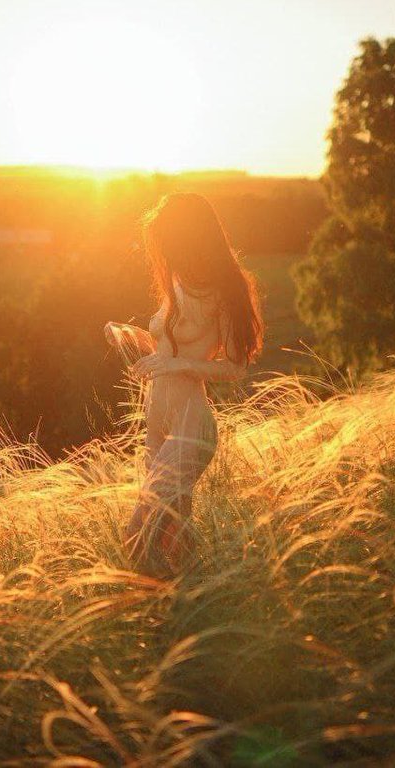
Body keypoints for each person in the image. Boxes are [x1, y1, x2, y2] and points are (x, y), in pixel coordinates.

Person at [104, 192, 264, 578]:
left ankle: (164, 615)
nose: (164, 250)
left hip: (191, 427)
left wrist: (174, 363)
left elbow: (235, 367)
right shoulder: (177, 280)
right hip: (158, 424)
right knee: (173, 543)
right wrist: (128, 338)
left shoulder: (226, 288)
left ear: (191, 236)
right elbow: (166, 350)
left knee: (137, 538)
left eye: (170, 240)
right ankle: (195, 613)